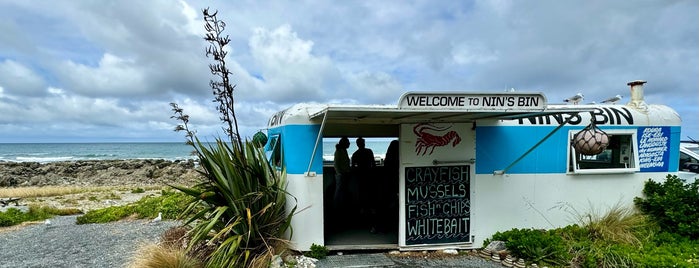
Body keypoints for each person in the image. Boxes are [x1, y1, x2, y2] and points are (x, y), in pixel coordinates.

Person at [333, 137, 351, 211]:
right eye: (348, 142)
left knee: (342, 191)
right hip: (341, 175)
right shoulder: (339, 151)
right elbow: (336, 163)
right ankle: (336, 207)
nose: (349, 144)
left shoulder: (343, 150)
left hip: (344, 174)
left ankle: (341, 206)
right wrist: (339, 173)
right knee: (339, 191)